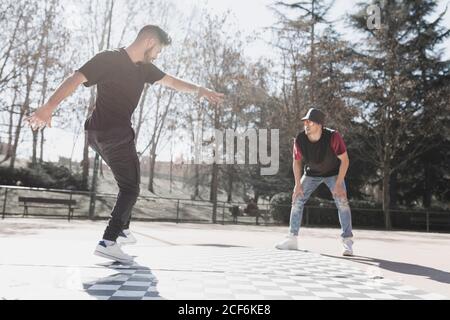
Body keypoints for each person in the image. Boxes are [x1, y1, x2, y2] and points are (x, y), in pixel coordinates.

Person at [26, 25, 224, 264]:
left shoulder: (145, 69)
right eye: (159, 50)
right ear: (150, 41)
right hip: (116, 134)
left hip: (95, 134)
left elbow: (171, 81)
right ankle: (109, 240)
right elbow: (75, 79)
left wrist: (199, 90)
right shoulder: (108, 58)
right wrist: (48, 107)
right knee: (130, 189)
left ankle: (122, 230)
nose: (158, 55)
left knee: (131, 181)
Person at [275, 108, 354, 256]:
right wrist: (297, 185)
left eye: (309, 121)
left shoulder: (333, 137)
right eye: (305, 121)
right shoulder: (300, 139)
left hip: (333, 173)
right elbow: (296, 162)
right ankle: (292, 239)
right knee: (297, 198)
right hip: (311, 173)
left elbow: (345, 160)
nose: (306, 124)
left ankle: (347, 242)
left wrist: (338, 183)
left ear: (319, 124)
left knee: (342, 201)